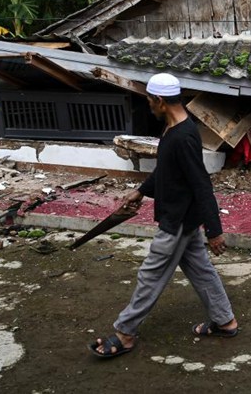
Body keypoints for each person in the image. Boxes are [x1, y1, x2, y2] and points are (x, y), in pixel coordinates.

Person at [92, 73, 239, 359]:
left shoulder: (183, 137)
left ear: (159, 100)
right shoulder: (175, 129)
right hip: (183, 218)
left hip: (177, 221)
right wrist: (141, 191)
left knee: (151, 275)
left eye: (149, 100)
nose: (148, 105)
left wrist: (215, 230)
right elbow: (167, 170)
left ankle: (125, 333)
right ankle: (225, 321)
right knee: (201, 271)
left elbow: (201, 184)